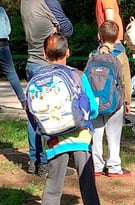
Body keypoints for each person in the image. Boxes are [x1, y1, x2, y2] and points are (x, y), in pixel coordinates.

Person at [32, 33, 116, 205]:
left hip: (53, 140)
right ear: (68, 52)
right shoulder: (78, 76)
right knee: (87, 182)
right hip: (80, 137)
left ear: (44, 54)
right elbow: (93, 107)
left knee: (54, 181)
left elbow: (33, 114)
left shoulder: (36, 79)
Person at [21, 0, 73, 176]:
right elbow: (67, 28)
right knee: (54, 114)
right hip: (48, 65)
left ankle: (34, 159)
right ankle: (49, 163)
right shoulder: (48, 1)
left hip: (31, 61)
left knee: (33, 115)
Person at [91, 20, 132, 177]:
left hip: (96, 101)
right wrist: (127, 101)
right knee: (114, 134)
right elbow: (126, 81)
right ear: (116, 38)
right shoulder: (121, 57)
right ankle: (114, 166)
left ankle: (96, 166)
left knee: (96, 134)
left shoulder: (93, 55)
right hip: (115, 102)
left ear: (99, 36)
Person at [0, 6, 26, 109]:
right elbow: (8, 30)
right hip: (3, 44)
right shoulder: (1, 10)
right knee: (11, 73)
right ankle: (23, 101)